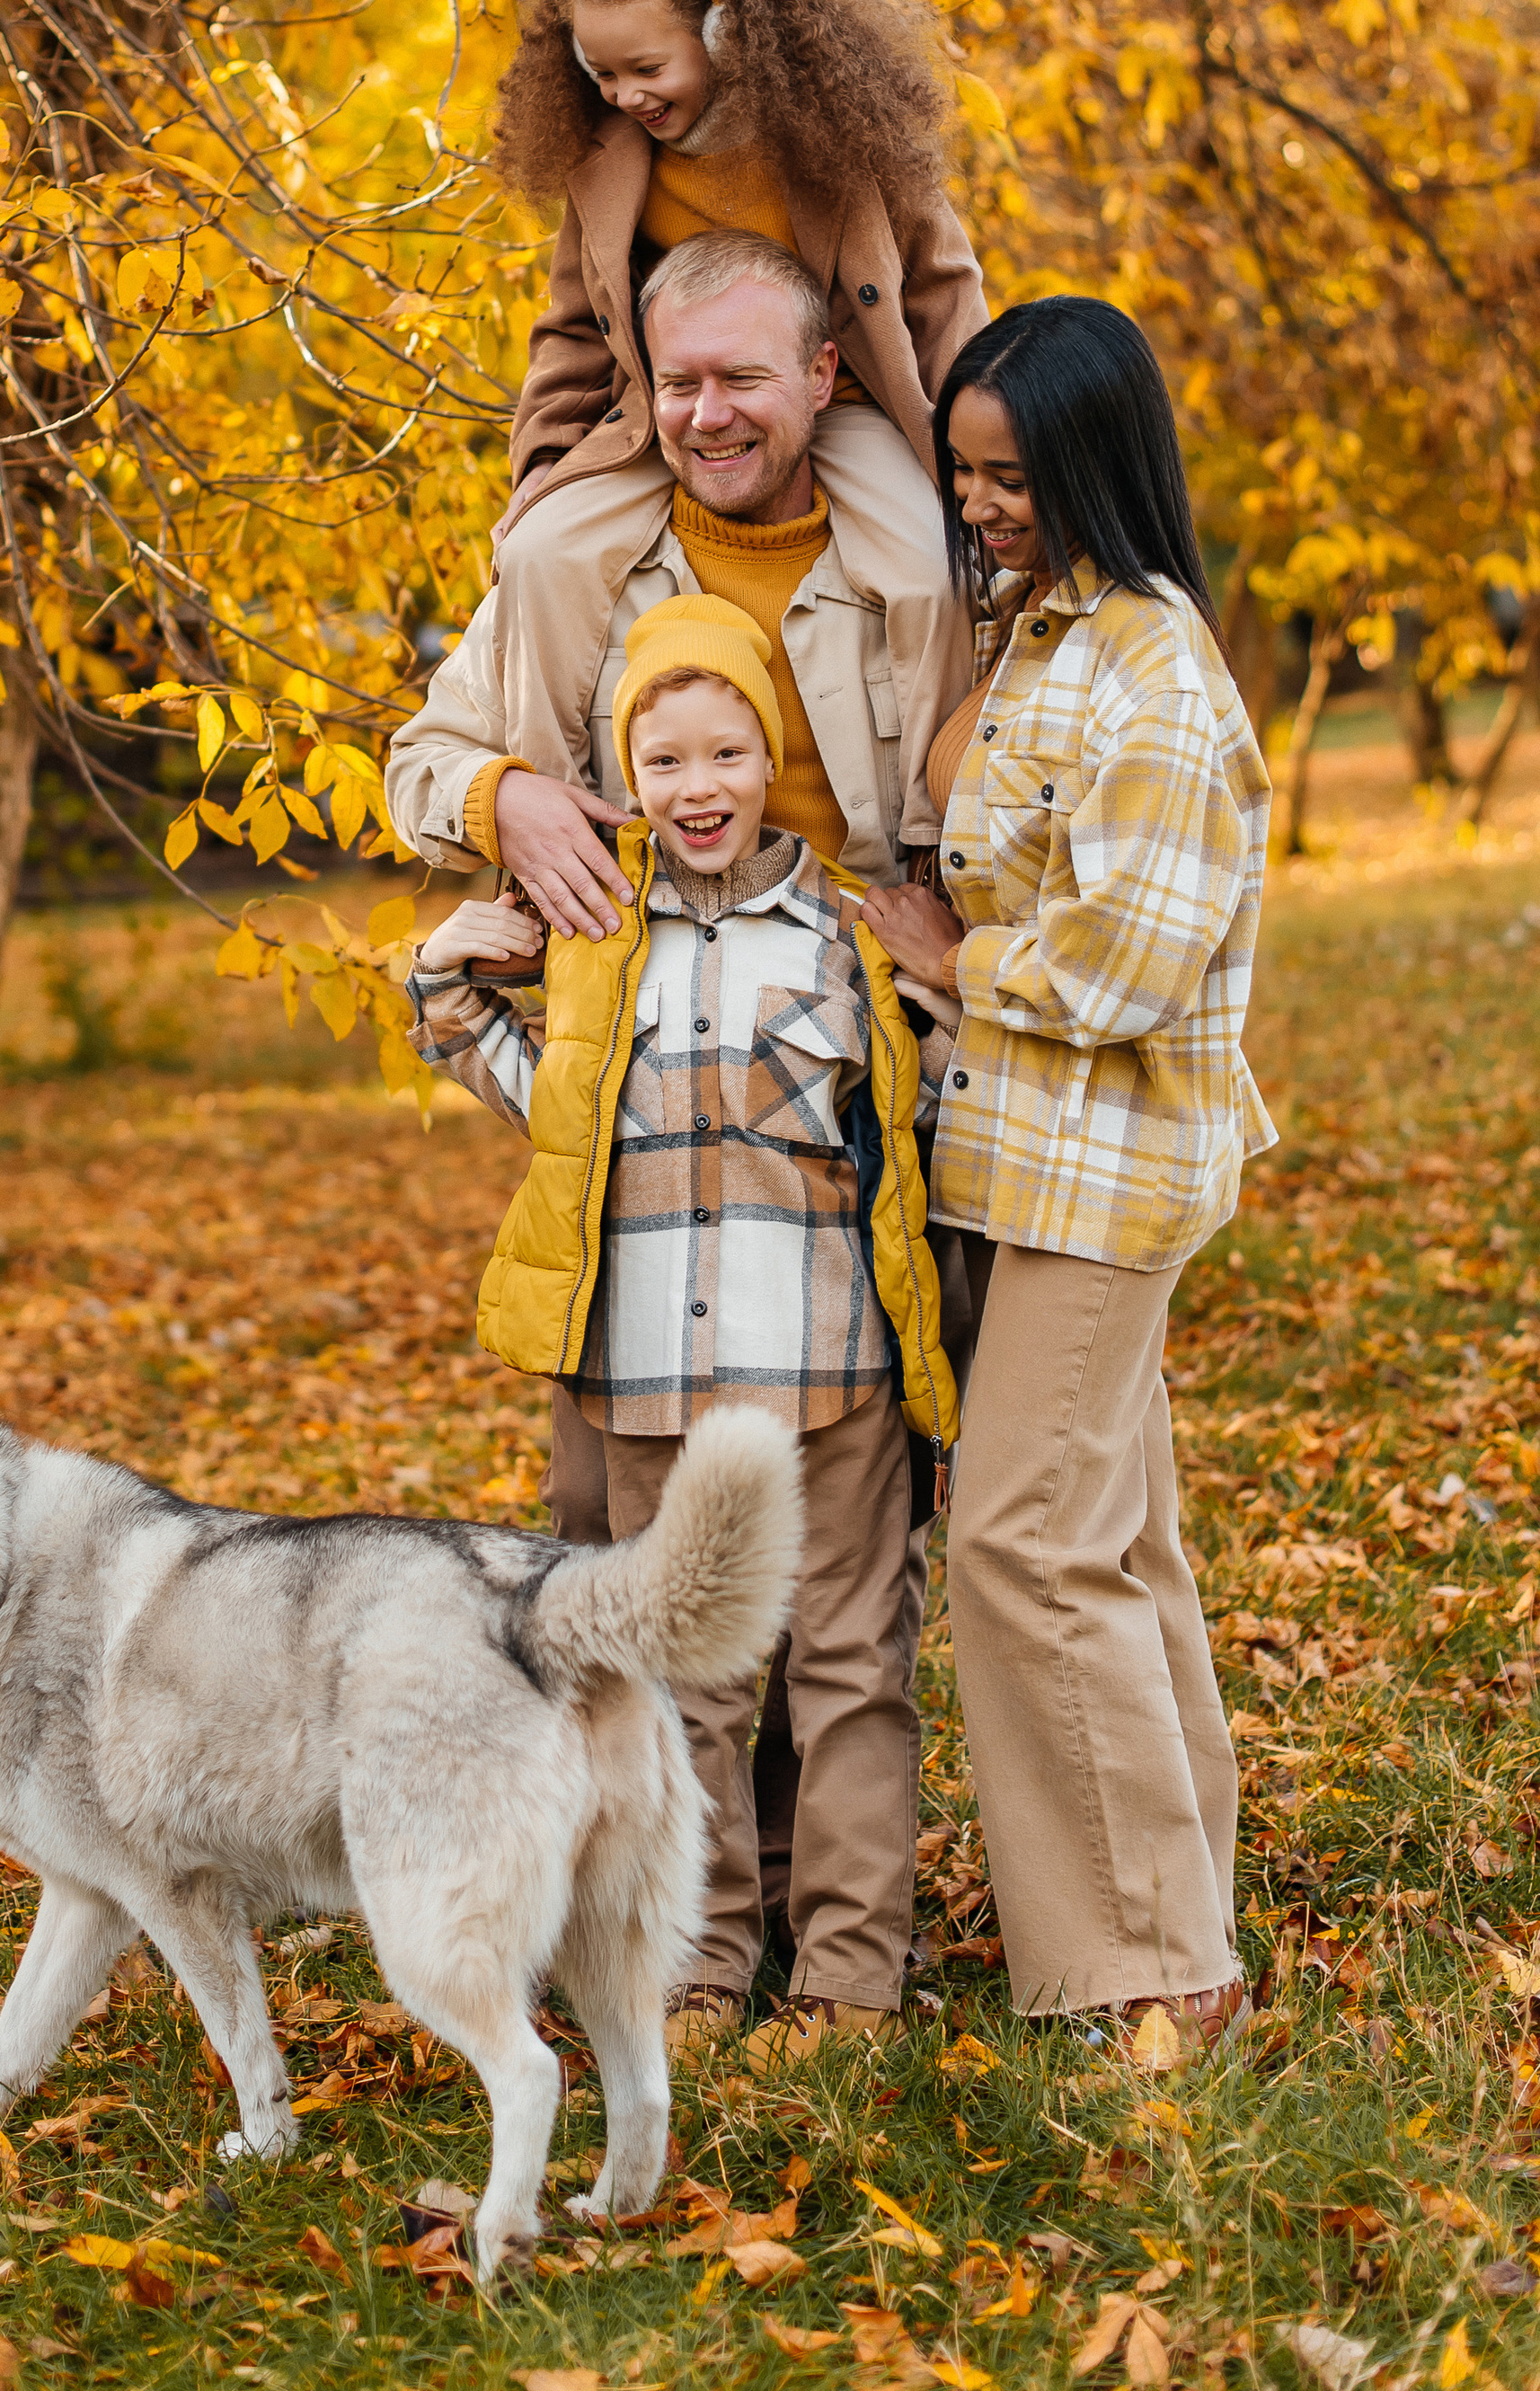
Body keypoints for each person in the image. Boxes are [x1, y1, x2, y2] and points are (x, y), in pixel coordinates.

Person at [405, 592, 959, 2068]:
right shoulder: (591, 940)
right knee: (689, 1696)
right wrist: (445, 973)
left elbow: (913, 1127)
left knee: (848, 1671)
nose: (698, 786)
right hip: (649, 1384)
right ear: (624, 778)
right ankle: (703, 1968)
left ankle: (849, 1973)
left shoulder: (846, 934)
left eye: (727, 751)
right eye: (664, 760)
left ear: (770, 754)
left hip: (834, 1377)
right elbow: (553, 1116)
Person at [384, 226, 977, 1542]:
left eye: (743, 380)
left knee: (851, 1516)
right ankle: (657, 1757)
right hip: (651, 1097)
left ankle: (817, 1755)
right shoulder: (586, 577)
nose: (705, 415)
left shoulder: (918, 564)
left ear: (824, 375)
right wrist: (506, 793)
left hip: (863, 1080)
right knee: (616, 1528)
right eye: (677, 381)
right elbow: (419, 761)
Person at [862, 296, 1276, 2062]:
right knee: (1112, 1540)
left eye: (1007, 476)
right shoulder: (1043, 633)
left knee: (1021, 1542)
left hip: (1103, 1178)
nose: (978, 507)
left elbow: (1126, 967)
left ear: (1092, 463)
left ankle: (1136, 1970)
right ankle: (1183, 1929)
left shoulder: (1154, 678)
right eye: (962, 473)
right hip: (1026, 1164)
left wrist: (951, 958)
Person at [485, 0, 987, 793]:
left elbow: (943, 298)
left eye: (645, 68)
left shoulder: (841, 133)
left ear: (726, 35)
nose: (624, 96)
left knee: (932, 574)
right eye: (599, 75)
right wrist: (540, 476)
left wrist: (978, 459)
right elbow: (570, 334)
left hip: (846, 405)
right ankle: (553, 812)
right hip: (669, 414)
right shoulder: (606, 165)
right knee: (534, 555)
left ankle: (932, 829)